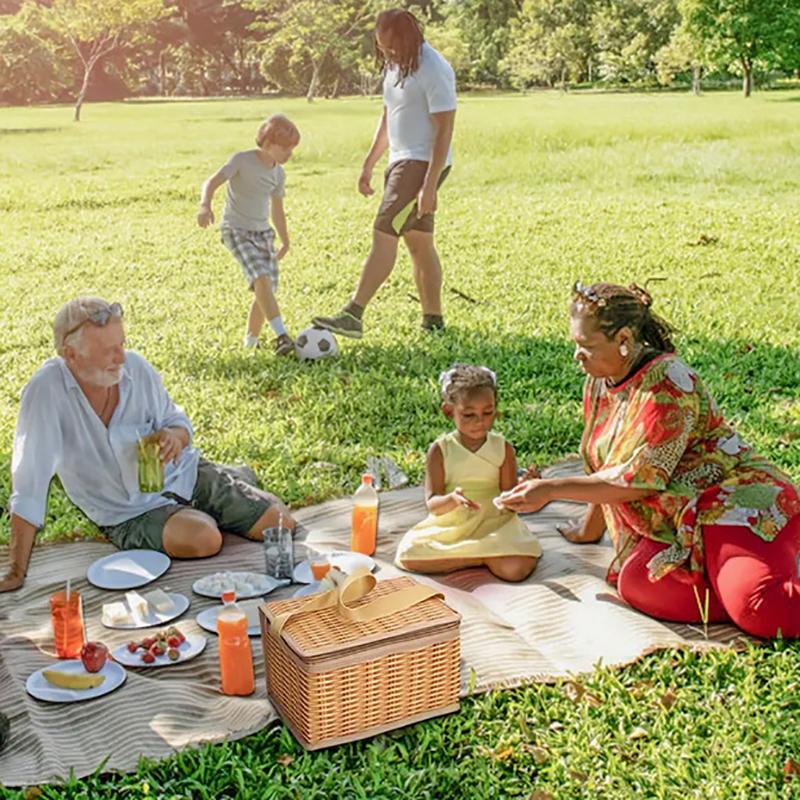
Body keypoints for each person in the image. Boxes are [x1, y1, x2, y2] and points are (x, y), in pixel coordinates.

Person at [497, 282, 800, 638]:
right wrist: (587, 530)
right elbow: (607, 463)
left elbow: (637, 480)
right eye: (575, 344)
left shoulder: (668, 385)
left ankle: (753, 587)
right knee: (637, 582)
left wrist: (551, 490)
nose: (577, 356)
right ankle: (745, 583)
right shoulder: (601, 381)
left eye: (587, 346)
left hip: (733, 502)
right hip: (678, 521)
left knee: (762, 609)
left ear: (624, 338)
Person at [0, 297, 295, 593]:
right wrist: (16, 570)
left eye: (122, 345)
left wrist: (173, 437)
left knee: (281, 524)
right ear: (71, 355)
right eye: (108, 351)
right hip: (127, 511)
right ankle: (223, 494)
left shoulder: (136, 369)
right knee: (205, 538)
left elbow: (178, 422)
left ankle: (230, 483)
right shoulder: (46, 392)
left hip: (184, 475)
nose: (121, 358)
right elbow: (29, 484)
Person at [312, 8, 456, 339]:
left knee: (383, 232)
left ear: (408, 37)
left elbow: (445, 128)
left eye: (392, 46)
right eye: (382, 47)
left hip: (420, 164)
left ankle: (354, 313)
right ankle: (433, 320)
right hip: (401, 161)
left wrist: (430, 185)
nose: (387, 53)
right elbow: (389, 116)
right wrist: (370, 163)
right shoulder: (395, 66)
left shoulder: (433, 68)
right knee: (419, 243)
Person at [395, 364, 541, 582]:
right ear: (448, 411)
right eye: (468, 414)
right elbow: (433, 503)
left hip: (494, 521)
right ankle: (480, 558)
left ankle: (471, 556)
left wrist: (526, 486)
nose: (479, 421)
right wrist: (453, 499)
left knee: (515, 569)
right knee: (408, 554)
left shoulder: (503, 447)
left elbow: (509, 498)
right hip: (453, 524)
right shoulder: (440, 450)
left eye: (487, 412)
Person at [197, 113, 300, 356]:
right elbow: (211, 182)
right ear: (267, 143)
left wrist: (285, 239)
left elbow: (277, 210)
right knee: (261, 278)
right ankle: (282, 336)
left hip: (263, 234)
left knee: (265, 293)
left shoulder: (278, 174)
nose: (289, 154)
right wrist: (205, 204)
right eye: (285, 148)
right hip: (235, 230)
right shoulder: (242, 161)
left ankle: (250, 345)